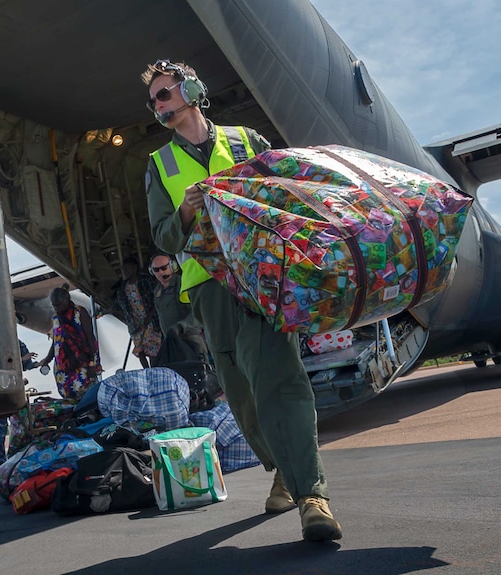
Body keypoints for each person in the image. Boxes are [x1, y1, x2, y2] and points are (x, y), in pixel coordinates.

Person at [141, 59, 342, 541]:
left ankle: (312, 496)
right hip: (209, 288)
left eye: (164, 93)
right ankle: (282, 467)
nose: (159, 105)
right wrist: (186, 212)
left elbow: (288, 196)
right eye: (153, 101)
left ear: (191, 88)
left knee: (281, 376)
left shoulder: (247, 142)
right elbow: (164, 240)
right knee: (242, 395)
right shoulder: (159, 165)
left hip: (260, 276)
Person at [38, 286, 101, 400]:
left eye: (58, 305)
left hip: (83, 365)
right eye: (54, 305)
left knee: (87, 397)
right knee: (70, 401)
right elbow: (56, 341)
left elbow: (90, 339)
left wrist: (92, 364)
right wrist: (47, 359)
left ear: (66, 300)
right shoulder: (56, 318)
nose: (56, 308)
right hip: (64, 369)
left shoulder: (80, 313)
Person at [150, 251, 209, 363]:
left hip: (190, 341)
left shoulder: (184, 284)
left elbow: (197, 312)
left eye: (163, 268)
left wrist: (181, 326)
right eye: (156, 270)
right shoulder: (157, 291)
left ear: (173, 266)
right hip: (172, 344)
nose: (161, 272)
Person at [0, 339, 37, 466]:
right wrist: (22, 359)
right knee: (0, 429)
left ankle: (20, 455)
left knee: (21, 425)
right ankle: (1, 462)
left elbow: (28, 365)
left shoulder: (17, 343)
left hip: (11, 391)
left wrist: (40, 363)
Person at [113, 256, 163, 368]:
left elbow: (156, 298)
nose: (125, 271)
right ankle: (147, 372)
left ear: (135, 268)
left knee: (152, 351)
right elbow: (118, 305)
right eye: (123, 269)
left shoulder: (145, 280)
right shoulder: (122, 289)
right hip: (135, 325)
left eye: (127, 268)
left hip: (150, 323)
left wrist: (151, 315)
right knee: (140, 352)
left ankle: (155, 371)